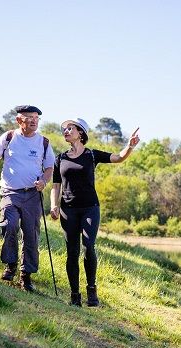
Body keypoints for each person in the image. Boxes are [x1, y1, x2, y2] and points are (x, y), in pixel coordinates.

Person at [50, 118, 140, 307]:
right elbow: (55, 185)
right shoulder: (60, 158)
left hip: (90, 207)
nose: (66, 131)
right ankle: (75, 295)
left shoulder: (92, 155)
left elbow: (118, 158)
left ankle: (92, 290)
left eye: (70, 128)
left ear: (81, 133)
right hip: (68, 210)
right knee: (71, 252)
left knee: (88, 246)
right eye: (64, 129)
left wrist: (129, 146)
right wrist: (54, 205)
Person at [0, 105, 55, 291]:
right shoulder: (8, 137)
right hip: (10, 192)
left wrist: (43, 181)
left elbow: (49, 168)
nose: (33, 121)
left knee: (31, 235)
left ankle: (26, 275)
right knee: (9, 225)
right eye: (29, 117)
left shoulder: (44, 142)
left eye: (36, 118)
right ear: (19, 120)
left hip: (32, 194)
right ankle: (10, 265)